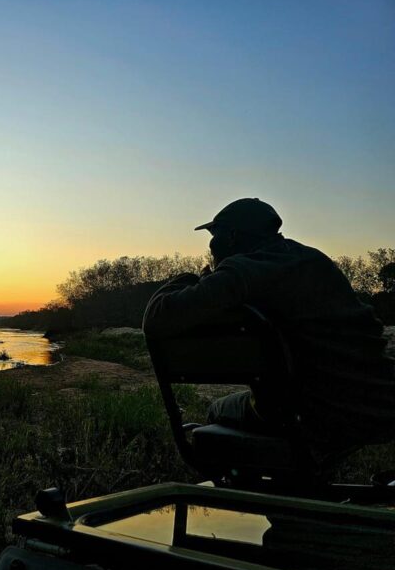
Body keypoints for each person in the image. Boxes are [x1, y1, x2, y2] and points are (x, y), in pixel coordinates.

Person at [142, 198, 395, 462]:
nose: (211, 247)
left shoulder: (241, 271)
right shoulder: (316, 261)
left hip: (310, 413)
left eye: (214, 238)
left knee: (218, 410)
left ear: (232, 237)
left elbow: (157, 318)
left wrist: (190, 279)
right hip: (381, 404)